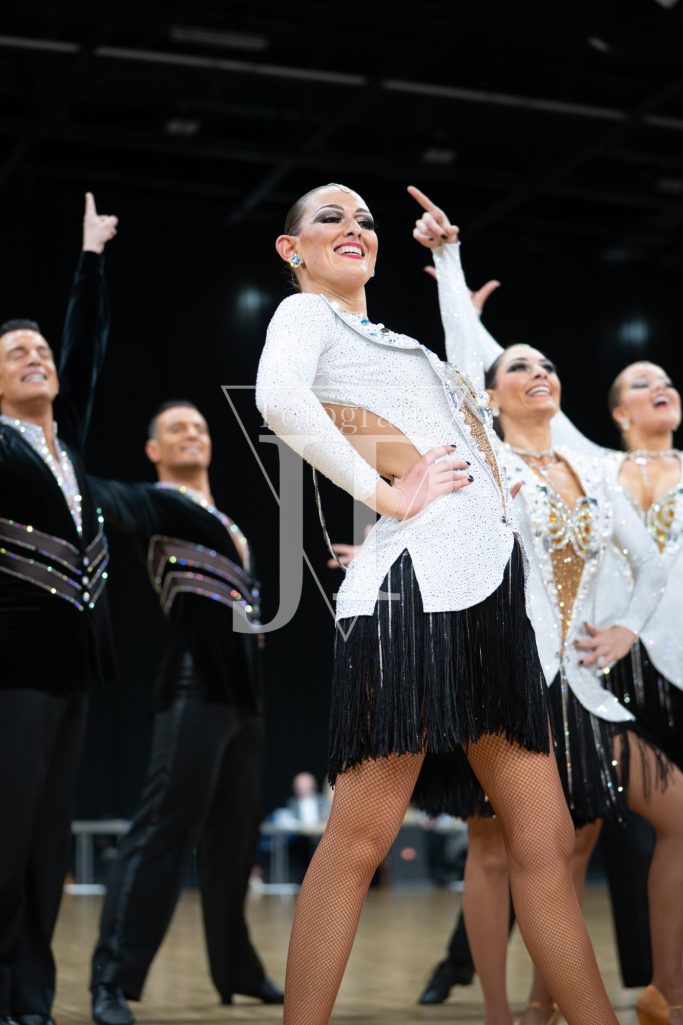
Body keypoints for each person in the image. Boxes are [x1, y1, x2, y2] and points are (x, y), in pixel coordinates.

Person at [255, 181, 623, 1025]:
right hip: (414, 596)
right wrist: (387, 496)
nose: (353, 226)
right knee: (359, 838)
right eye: (329, 217)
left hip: (492, 604)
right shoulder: (306, 315)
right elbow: (278, 400)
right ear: (291, 249)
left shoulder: (398, 341)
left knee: (545, 842)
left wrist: (449, 266)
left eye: (364, 219)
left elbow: (480, 401)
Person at [426, 228, 683, 1025]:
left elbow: (651, 568)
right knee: (495, 848)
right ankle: (501, 1012)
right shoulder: (487, 460)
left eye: (546, 364)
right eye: (519, 367)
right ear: (491, 394)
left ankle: (560, 1003)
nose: (538, 371)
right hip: (501, 675)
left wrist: (626, 630)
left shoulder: (593, 472)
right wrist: (448, 267)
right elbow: (463, 376)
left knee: (583, 837)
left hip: (580, 684)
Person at [87, 401, 283, 1023]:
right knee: (161, 833)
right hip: (193, 685)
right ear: (154, 450)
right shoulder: (159, 504)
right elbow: (107, 500)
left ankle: (236, 968)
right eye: (177, 428)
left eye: (199, 427)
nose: (192, 434)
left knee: (234, 842)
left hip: (243, 697)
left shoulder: (226, 521)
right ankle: (112, 978)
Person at [0, 194, 118, 1025]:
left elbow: (88, 346)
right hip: (12, 665)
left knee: (47, 847)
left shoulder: (65, 442)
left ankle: (31, 1001)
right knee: (6, 839)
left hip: (73, 669)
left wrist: (91, 261)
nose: (36, 357)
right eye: (16, 352)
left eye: (40, 350)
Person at [603, 362, 683, 771]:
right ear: (620, 412)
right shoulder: (596, 471)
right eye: (642, 383)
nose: (660, 387)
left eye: (666, 382)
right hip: (609, 658)